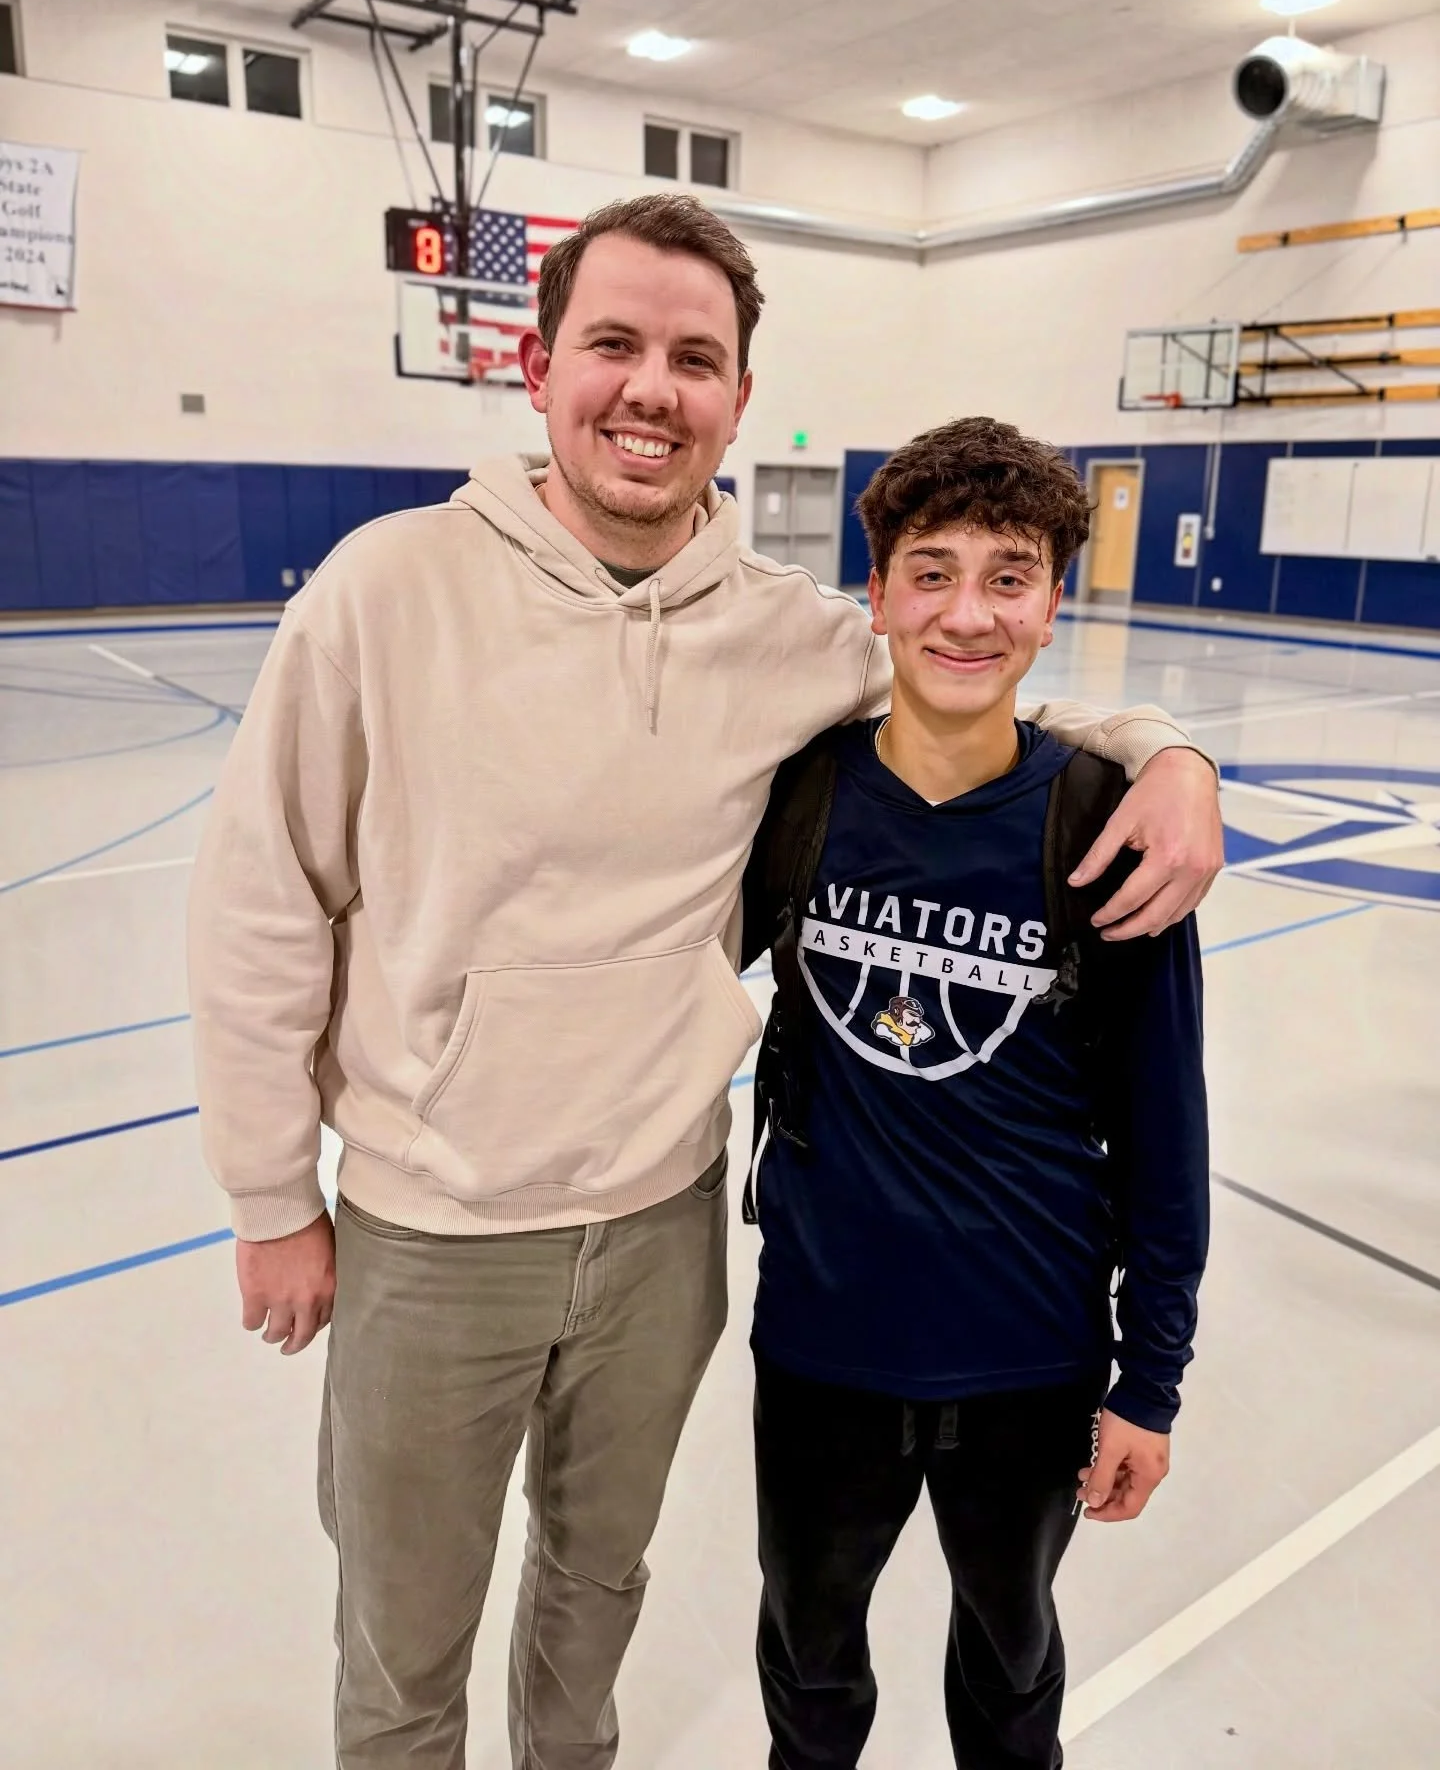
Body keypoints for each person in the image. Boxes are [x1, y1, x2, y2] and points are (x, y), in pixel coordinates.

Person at [186, 195, 1223, 1770]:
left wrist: (1178, 757)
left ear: (740, 397)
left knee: (595, 1600)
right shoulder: (383, 590)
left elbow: (980, 676)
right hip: (433, 1225)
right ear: (537, 368)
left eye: (694, 357)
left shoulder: (787, 635)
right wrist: (272, 1194)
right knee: (403, 1647)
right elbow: (263, 901)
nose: (650, 388)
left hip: (661, 1225)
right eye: (613, 345)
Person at [740, 416, 1210, 1770]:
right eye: (931, 572)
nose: (967, 612)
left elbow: (1168, 1138)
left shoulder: (1109, 825)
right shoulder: (795, 798)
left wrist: (1152, 1381)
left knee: (1012, 1676)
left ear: (1053, 604)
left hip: (1031, 1356)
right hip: (824, 1344)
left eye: (1009, 575)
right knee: (810, 1674)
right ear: (876, 593)